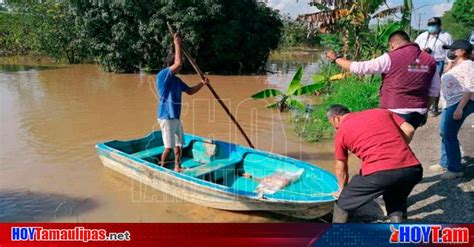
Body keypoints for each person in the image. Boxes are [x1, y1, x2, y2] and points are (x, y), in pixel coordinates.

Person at [326, 30, 440, 132]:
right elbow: (434, 90)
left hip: (396, 111)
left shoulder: (391, 57)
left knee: (392, 147)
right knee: (402, 144)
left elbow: (360, 68)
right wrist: (424, 111)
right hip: (418, 113)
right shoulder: (430, 60)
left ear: (391, 44)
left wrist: (336, 58)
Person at [327, 105, 423, 223]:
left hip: (380, 173)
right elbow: (409, 129)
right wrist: (398, 150)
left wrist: (342, 189)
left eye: (331, 123)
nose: (334, 127)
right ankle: (398, 231)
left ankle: (335, 236)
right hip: (412, 169)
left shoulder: (341, 131)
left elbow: (341, 166)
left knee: (343, 202)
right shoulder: (381, 112)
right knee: (396, 198)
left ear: (336, 118)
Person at [157, 33, 209, 172]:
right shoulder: (162, 76)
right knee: (168, 147)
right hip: (166, 117)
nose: (180, 67)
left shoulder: (177, 81)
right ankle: (161, 168)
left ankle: (177, 166)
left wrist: (202, 83)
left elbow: (190, 91)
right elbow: (178, 63)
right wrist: (177, 44)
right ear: (170, 65)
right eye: (176, 65)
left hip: (176, 117)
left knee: (179, 144)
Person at [430, 40, 473, 180]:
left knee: (449, 134)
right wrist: (449, 65)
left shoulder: (468, 66)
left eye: (454, 49)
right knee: (444, 132)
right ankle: (445, 162)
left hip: (460, 102)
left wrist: (460, 108)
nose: (451, 52)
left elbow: (470, 88)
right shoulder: (457, 64)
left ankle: (455, 169)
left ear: (462, 52)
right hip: (450, 102)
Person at [415, 17, 453, 116]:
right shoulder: (422, 36)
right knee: (421, 83)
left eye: (434, 25)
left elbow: (450, 52)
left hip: (438, 62)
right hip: (423, 61)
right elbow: (414, 47)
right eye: (430, 25)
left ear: (440, 26)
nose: (431, 28)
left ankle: (434, 107)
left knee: (435, 84)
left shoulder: (446, 36)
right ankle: (421, 105)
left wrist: (449, 64)